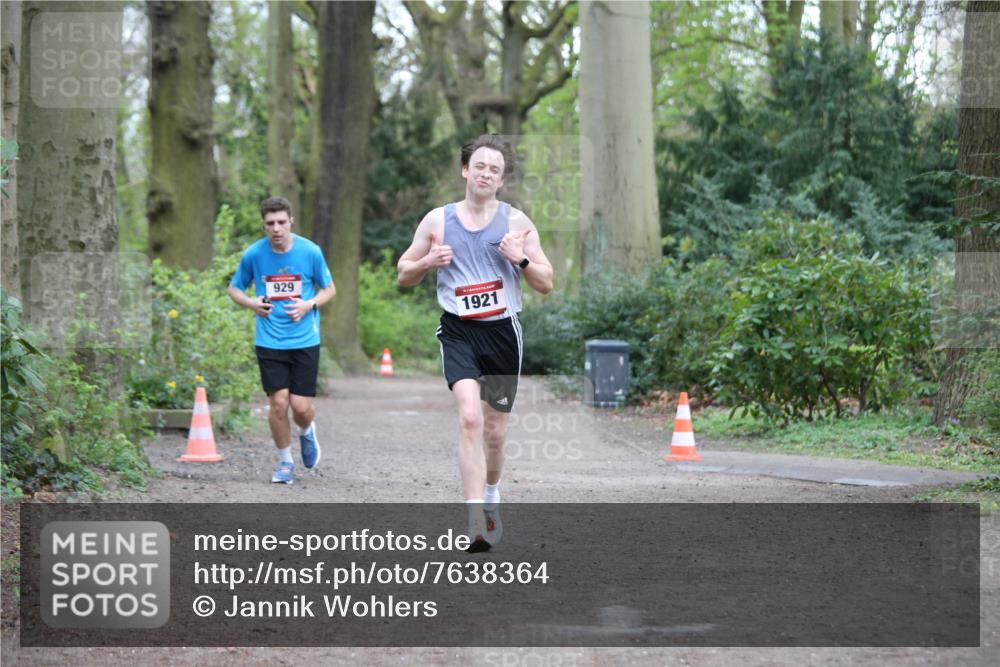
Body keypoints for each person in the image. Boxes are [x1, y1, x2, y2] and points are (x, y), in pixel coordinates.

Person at [397, 134, 554, 551]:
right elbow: (403, 271)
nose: (486, 173)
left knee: (496, 432)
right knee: (469, 416)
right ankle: (473, 521)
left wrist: (518, 259)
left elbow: (546, 283)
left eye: (495, 169)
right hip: (459, 330)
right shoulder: (437, 221)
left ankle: (491, 494)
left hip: (503, 332)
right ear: (465, 170)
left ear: (501, 180)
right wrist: (428, 262)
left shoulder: (517, 223)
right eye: (480, 166)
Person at [228, 196, 336, 484]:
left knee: (300, 407)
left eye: (281, 222)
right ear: (264, 225)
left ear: (291, 222)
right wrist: (251, 302)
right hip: (269, 340)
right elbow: (234, 288)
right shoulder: (254, 254)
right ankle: (285, 462)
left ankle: (306, 430)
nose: (276, 228)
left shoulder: (310, 252)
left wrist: (308, 304)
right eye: (270, 224)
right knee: (279, 403)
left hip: (304, 340)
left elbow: (329, 289)